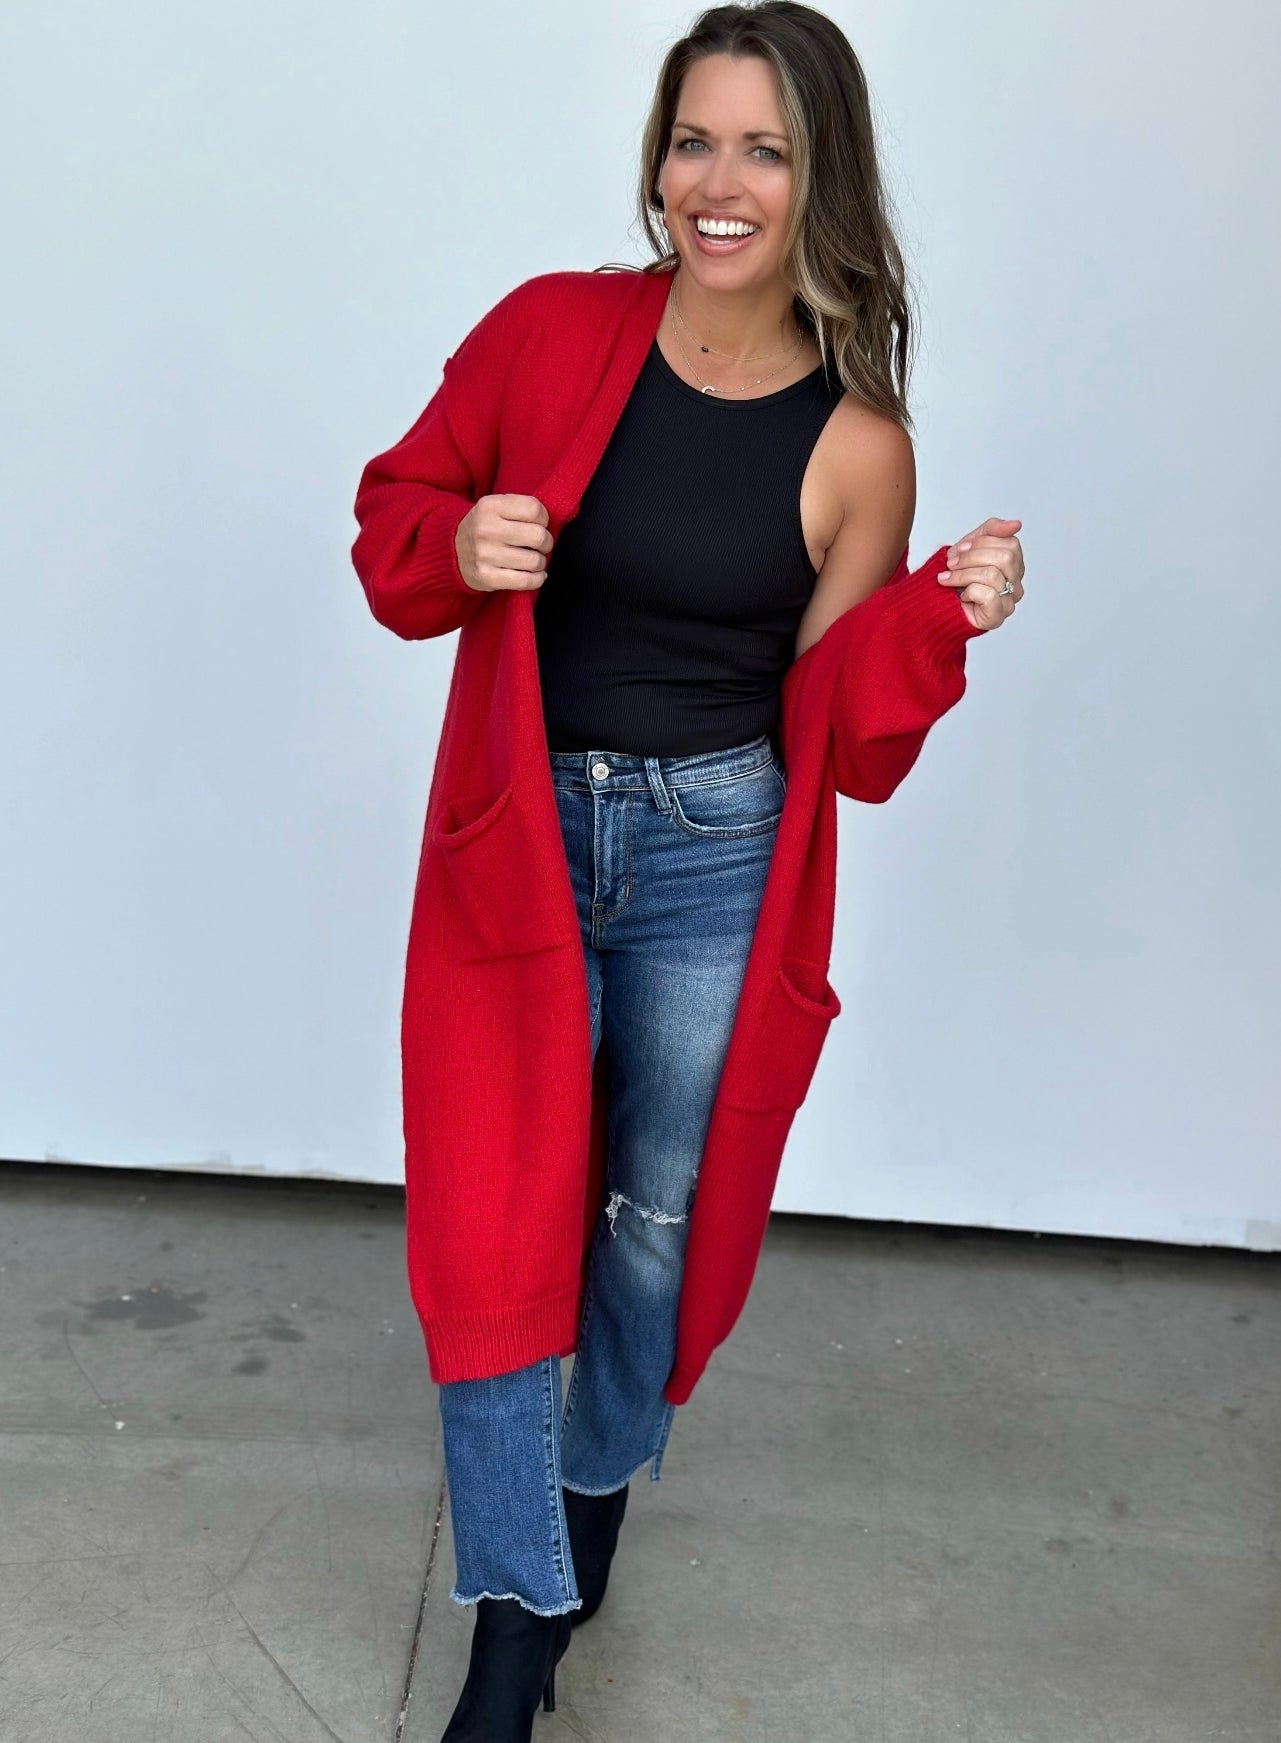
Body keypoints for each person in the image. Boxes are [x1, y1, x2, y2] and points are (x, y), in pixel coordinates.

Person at [351, 4, 1025, 1736]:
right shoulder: (548, 332)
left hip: (714, 853)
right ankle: (515, 1629)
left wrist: (932, 625)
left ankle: (583, 1526)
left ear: (821, 178)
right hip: (521, 837)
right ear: (658, 159)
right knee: (497, 1230)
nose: (717, 184)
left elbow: (843, 739)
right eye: (693, 140)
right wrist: (460, 538)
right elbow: (395, 517)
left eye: (764, 149)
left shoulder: (859, 442)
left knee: (647, 1235)